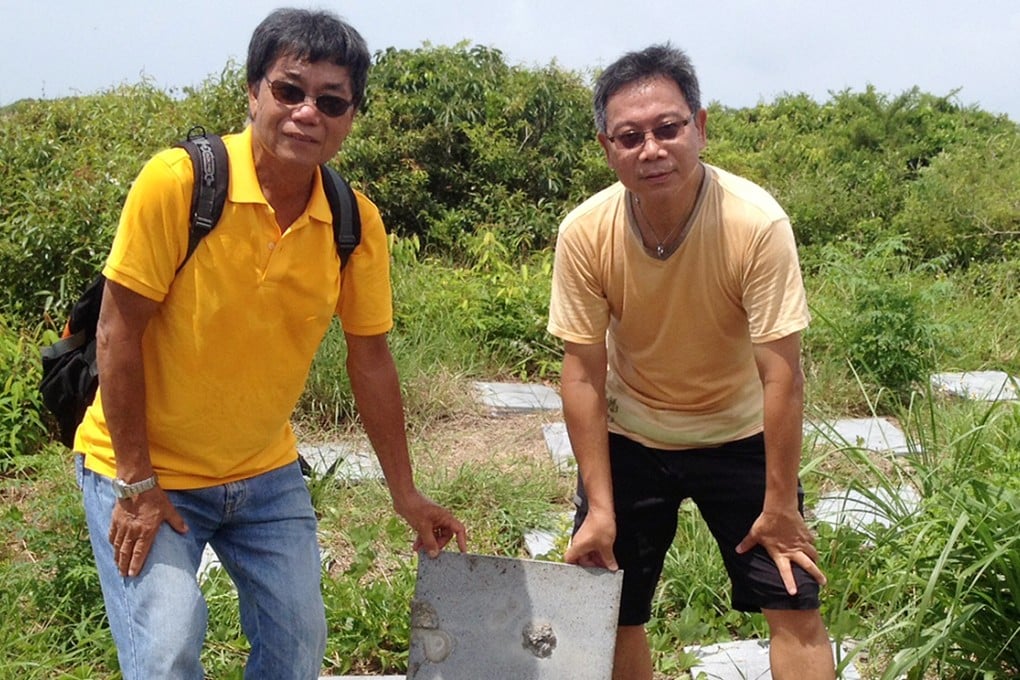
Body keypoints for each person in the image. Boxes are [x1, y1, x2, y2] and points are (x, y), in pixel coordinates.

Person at [74, 9, 467, 679]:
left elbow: (370, 359)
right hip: (143, 469)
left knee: (297, 650)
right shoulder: (181, 182)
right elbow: (117, 331)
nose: (307, 112)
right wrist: (137, 483)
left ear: (350, 117)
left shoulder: (353, 221)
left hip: (263, 477)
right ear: (253, 92)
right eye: (289, 90)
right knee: (167, 654)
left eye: (331, 101)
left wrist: (406, 494)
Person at [547, 44, 835, 680]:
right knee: (611, 605)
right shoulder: (586, 231)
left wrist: (781, 505)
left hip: (740, 435)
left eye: (668, 128)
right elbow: (582, 373)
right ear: (607, 147)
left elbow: (781, 372)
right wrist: (599, 507)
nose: (651, 149)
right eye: (630, 136)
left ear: (699, 128)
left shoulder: (754, 223)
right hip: (632, 434)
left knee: (793, 599)